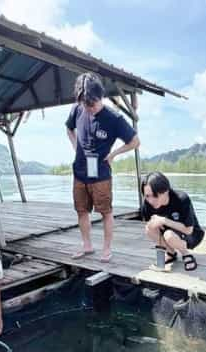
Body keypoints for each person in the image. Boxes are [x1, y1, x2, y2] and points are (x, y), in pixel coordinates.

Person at [66, 72, 140, 263]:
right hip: (80, 171)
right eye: (86, 104)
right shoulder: (77, 109)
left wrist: (114, 154)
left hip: (101, 173)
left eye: (93, 104)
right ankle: (87, 245)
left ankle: (107, 249)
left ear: (101, 97)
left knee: (105, 211)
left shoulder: (114, 118)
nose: (89, 108)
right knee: (81, 210)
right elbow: (69, 128)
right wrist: (76, 147)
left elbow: (134, 141)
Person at [141, 172, 204, 271]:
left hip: (192, 235)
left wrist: (163, 220)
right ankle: (171, 253)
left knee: (169, 235)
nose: (151, 200)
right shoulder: (147, 203)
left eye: (155, 195)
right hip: (170, 232)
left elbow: (189, 230)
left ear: (166, 191)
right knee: (149, 228)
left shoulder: (181, 199)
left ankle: (186, 254)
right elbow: (151, 225)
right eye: (147, 196)